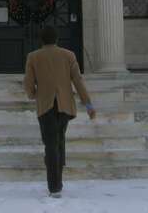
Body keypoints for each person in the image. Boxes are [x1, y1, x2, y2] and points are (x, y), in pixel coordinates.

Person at [23, 26, 96, 198]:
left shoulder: (33, 57)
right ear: (56, 39)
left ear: (41, 40)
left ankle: (54, 187)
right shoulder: (69, 55)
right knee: (59, 141)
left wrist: (33, 94)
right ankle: (58, 181)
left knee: (50, 144)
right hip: (65, 106)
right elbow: (78, 81)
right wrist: (88, 105)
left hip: (45, 105)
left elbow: (28, 82)